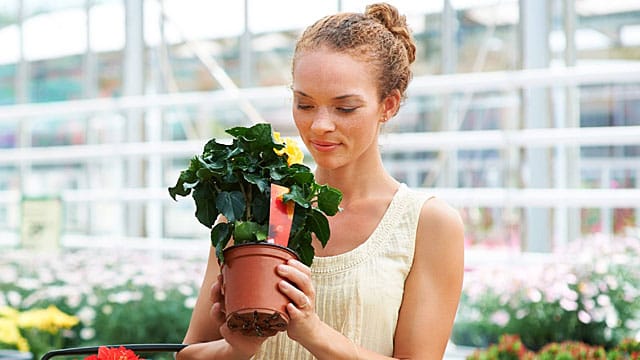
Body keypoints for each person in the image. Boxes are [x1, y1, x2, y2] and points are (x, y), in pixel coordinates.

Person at [176, 2, 464, 359]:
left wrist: (313, 333)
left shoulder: (427, 224)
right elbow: (189, 353)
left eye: (345, 108)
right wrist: (238, 347)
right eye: (305, 104)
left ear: (388, 105)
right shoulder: (253, 207)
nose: (320, 125)